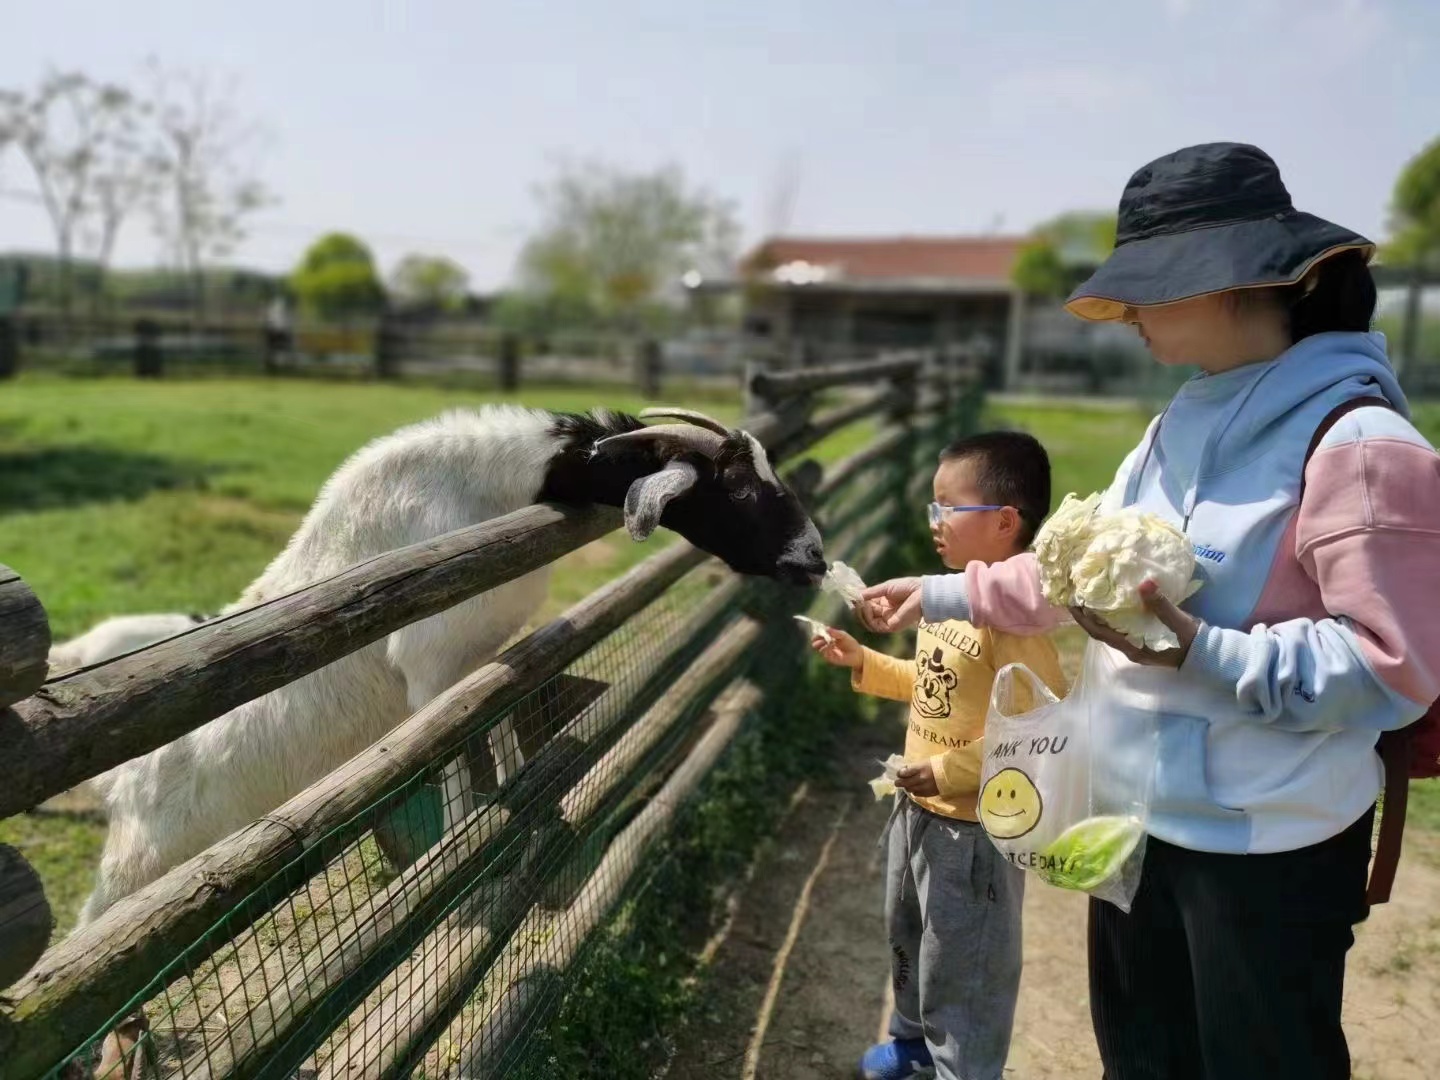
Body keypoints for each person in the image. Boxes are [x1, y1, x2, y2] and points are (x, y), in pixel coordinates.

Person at [858, 142, 1440, 1080]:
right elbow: (1077, 573)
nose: (1127, 312)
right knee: (1142, 1058)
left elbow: (1393, 665)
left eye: (1151, 285)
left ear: (1237, 284)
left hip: (1266, 844)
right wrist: (939, 592)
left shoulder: (1361, 443)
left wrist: (1203, 652)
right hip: (1137, 824)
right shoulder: (1175, 425)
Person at [812, 431, 1067, 1080]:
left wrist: (952, 771)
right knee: (910, 934)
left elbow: (1038, 728)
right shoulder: (946, 598)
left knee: (966, 961)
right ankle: (912, 1044)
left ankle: (963, 1067)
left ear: (1005, 523)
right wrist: (863, 662)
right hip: (916, 809)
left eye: (947, 507)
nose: (935, 522)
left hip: (975, 830)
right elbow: (930, 683)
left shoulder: (1015, 626)